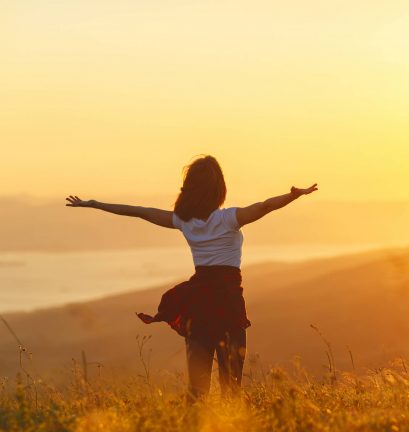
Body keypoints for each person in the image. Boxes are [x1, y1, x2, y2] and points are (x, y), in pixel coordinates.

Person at [65, 155, 317, 401]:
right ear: (219, 189)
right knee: (232, 387)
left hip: (198, 305)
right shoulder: (229, 219)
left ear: (190, 189)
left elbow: (139, 211)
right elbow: (265, 206)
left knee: (197, 390)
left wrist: (95, 204)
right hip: (228, 303)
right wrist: (293, 196)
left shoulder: (183, 221)